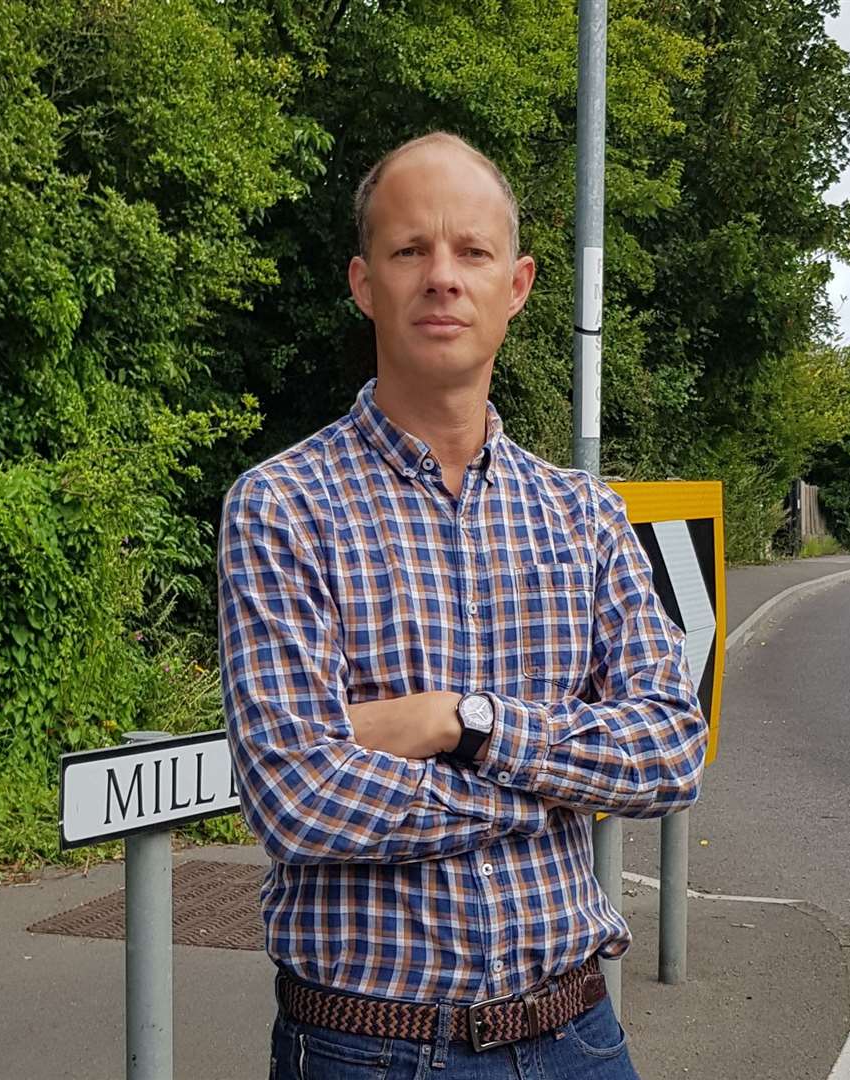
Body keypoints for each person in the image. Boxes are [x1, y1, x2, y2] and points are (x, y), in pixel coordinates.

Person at [217, 131, 707, 1080]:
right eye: (411, 251)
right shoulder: (279, 506)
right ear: (364, 283)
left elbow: (671, 750)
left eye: (472, 251)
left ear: (516, 285)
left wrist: (462, 724)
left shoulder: (584, 513)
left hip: (580, 1039)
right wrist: (554, 799)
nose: (443, 277)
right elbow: (297, 796)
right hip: (369, 1049)